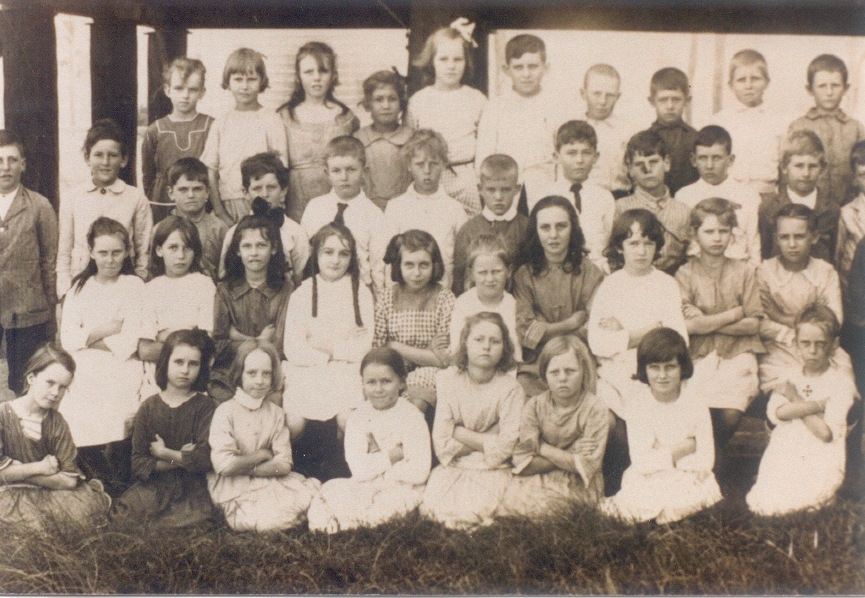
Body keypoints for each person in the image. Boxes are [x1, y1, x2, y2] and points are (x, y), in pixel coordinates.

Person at [588, 209, 688, 493]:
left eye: (648, 243)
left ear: (657, 246)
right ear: (620, 246)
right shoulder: (610, 285)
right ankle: (616, 487)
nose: (641, 251)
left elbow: (677, 339)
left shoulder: (666, 285)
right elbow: (598, 343)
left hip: (655, 372)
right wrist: (646, 331)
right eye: (633, 243)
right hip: (616, 373)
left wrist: (622, 331)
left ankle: (653, 487)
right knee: (613, 424)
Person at [675, 198, 764, 465]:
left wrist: (708, 321)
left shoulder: (744, 271)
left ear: (731, 234)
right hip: (699, 355)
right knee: (695, 405)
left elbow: (754, 323)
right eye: (709, 231)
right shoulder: (685, 273)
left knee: (729, 412)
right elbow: (689, 326)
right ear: (695, 234)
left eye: (723, 231)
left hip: (738, 353)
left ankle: (710, 457)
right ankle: (705, 460)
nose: (717, 238)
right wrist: (734, 313)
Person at [58, 217, 145, 492]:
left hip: (123, 364)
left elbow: (131, 340)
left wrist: (88, 337)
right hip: (84, 365)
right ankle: (98, 478)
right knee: (77, 409)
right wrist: (106, 330)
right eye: (103, 253)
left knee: (119, 411)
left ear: (127, 252)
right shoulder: (78, 288)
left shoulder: (134, 286)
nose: (110, 260)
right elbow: (68, 339)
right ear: (92, 252)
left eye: (116, 252)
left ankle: (118, 480)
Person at [602, 328, 722, 524]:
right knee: (640, 496)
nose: (662, 375)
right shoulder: (639, 404)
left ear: (682, 368)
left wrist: (662, 455)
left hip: (688, 475)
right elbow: (641, 462)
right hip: (648, 478)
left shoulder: (696, 403)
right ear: (644, 369)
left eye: (670, 367)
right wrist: (681, 449)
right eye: (654, 368)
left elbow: (706, 459)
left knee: (700, 491)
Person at [747, 305, 857, 515]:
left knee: (807, 501)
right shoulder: (789, 375)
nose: (812, 351)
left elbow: (825, 433)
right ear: (796, 344)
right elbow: (778, 414)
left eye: (820, 344)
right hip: (787, 449)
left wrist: (795, 398)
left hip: (820, 454)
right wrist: (817, 405)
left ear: (834, 345)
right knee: (768, 502)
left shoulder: (839, 383)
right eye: (805, 343)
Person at [307, 347, 432, 533]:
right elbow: (358, 469)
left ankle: (353, 522)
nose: (379, 389)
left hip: (402, 487)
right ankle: (346, 521)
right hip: (367, 484)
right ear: (363, 385)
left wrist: (378, 467)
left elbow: (419, 471)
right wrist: (393, 455)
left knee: (385, 508)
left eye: (386, 381)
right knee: (329, 490)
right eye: (371, 382)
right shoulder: (358, 417)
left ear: (401, 383)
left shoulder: (412, 417)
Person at [420, 312, 523, 530]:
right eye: (479, 339)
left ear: (504, 347)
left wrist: (461, 433)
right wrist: (488, 437)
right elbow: (442, 444)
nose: (486, 346)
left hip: (492, 468)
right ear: (465, 343)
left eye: (495, 341)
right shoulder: (449, 381)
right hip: (456, 465)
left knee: (481, 510)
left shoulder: (511, 388)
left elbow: (506, 446)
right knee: (434, 508)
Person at [207, 340, 321, 532]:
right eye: (252, 373)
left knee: (311, 494)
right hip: (234, 488)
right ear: (239, 374)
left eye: (266, 374)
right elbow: (224, 465)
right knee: (266, 522)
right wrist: (261, 455)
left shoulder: (275, 413)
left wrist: (245, 466)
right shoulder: (225, 412)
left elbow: (284, 464)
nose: (259, 381)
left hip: (269, 479)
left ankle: (295, 510)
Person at [0, 344, 111, 533]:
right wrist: (41, 468)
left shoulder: (57, 423)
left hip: (48, 493)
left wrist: (20, 472)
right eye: (50, 383)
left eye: (62, 388)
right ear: (31, 378)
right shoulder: (3, 415)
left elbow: (68, 480)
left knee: (81, 511)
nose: (55, 393)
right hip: (7, 493)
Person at [114, 329, 218, 528]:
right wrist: (181, 458)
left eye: (193, 364)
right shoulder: (149, 407)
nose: (185, 370)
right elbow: (139, 462)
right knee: (126, 514)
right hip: (155, 484)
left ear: (201, 367)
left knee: (195, 520)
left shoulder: (205, 407)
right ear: (165, 363)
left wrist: (164, 453)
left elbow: (204, 459)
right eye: (178, 362)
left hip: (190, 485)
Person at [499, 336, 609, 518]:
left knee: (560, 512)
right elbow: (523, 462)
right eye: (554, 372)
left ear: (583, 371)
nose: (563, 378)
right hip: (538, 476)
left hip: (579, 482)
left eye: (570, 371)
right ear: (544, 374)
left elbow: (587, 465)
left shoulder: (595, 409)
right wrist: (570, 451)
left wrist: (540, 447)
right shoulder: (534, 406)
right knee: (514, 507)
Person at [282, 224, 374, 440]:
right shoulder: (302, 293)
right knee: (294, 423)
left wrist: (326, 346)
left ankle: (350, 468)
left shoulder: (360, 292)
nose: (336, 260)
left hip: (347, 371)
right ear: (316, 254)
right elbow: (293, 347)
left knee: (348, 420)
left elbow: (364, 347)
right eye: (328, 252)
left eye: (344, 254)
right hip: (306, 370)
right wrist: (339, 347)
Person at [514, 196, 604, 396]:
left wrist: (546, 328)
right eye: (545, 227)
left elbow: (594, 327)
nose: (553, 235)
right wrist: (571, 323)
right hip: (537, 365)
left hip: (579, 360)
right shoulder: (524, 275)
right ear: (535, 232)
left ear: (573, 228)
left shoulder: (590, 273)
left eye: (561, 226)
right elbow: (526, 333)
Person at [757, 203, 849, 392]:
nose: (792, 244)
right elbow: (762, 322)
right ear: (776, 239)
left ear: (814, 237)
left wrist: (781, 317)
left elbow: (833, 320)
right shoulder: (765, 272)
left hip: (821, 346)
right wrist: (795, 332)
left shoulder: (825, 272)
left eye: (799, 236)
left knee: (841, 385)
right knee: (788, 390)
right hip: (780, 347)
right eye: (784, 237)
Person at [57, 119, 152, 296]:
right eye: (98, 155)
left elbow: (143, 251)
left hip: (123, 284)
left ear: (123, 160)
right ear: (87, 157)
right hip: (81, 286)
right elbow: (64, 251)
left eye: (113, 155)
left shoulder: (135, 198)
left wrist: (139, 284)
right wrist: (64, 292)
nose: (105, 162)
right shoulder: (73, 197)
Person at [210, 204, 292, 402]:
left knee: (274, 400)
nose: (254, 252)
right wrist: (257, 340)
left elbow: (281, 343)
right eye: (247, 246)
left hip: (270, 371)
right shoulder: (225, 290)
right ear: (237, 251)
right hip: (231, 371)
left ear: (273, 249)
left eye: (261, 245)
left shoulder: (284, 289)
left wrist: (238, 336)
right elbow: (219, 343)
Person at [406, 23, 487, 216]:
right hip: (430, 175)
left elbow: (485, 146)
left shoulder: (477, 99)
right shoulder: (419, 100)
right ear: (431, 61)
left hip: (467, 177)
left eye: (457, 59)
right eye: (443, 59)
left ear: (466, 62)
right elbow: (410, 146)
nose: (451, 66)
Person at [200, 48, 288, 223]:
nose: (245, 86)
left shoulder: (271, 119)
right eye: (238, 79)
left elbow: (281, 167)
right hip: (229, 204)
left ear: (261, 81)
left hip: (263, 201)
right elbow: (211, 169)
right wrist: (219, 211)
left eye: (251, 79)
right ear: (228, 82)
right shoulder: (221, 122)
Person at [0, 130, 58, 396]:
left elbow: (49, 262)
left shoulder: (39, 206)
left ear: (23, 163)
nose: (5, 167)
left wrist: (50, 311)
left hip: (26, 312)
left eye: (12, 160)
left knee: (23, 384)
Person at [374, 230, 455, 415]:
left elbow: (442, 360)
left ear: (435, 265)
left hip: (430, 373)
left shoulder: (444, 298)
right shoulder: (388, 297)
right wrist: (427, 350)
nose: (416, 273)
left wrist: (395, 345)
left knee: (415, 404)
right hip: (392, 369)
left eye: (424, 265)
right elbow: (378, 350)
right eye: (409, 265)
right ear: (399, 266)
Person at [279, 41, 360, 222]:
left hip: (335, 196)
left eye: (323, 71)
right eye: (308, 71)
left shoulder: (345, 118)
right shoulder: (284, 116)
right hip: (295, 199)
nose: (316, 77)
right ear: (298, 76)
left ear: (333, 75)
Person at [137, 216, 215, 400]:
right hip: (156, 377)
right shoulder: (150, 289)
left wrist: (164, 336)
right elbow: (145, 350)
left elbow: (204, 344)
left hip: (193, 377)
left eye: (187, 248)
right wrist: (186, 335)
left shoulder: (204, 285)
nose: (180, 256)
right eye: (173, 248)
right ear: (159, 250)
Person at [523, 120, 616, 271]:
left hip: (596, 270)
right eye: (571, 153)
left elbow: (607, 241)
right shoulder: (544, 196)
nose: (579, 160)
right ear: (556, 156)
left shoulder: (605, 198)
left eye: (586, 153)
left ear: (596, 157)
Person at [301, 136, 387, 295]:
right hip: (319, 291)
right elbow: (304, 255)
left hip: (358, 292)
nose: (344, 177)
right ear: (327, 173)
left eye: (351, 169)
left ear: (364, 171)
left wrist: (378, 299)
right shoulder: (315, 207)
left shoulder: (374, 214)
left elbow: (378, 265)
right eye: (336, 171)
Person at [475, 33, 569, 178]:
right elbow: (484, 158)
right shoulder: (495, 108)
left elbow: (564, 157)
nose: (526, 74)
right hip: (504, 189)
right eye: (518, 67)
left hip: (545, 188)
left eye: (533, 66)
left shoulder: (556, 107)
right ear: (507, 70)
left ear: (546, 68)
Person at [385, 129, 468, 290]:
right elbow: (389, 260)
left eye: (434, 164)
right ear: (409, 165)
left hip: (442, 294)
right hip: (404, 295)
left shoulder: (455, 210)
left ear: (444, 165)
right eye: (420, 164)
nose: (427, 171)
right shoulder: (395, 207)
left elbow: (461, 263)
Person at [218, 153, 310, 289]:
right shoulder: (234, 233)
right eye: (257, 188)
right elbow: (224, 275)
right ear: (245, 192)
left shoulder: (296, 233)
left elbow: (300, 280)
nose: (264, 194)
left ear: (283, 190)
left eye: (271, 187)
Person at [675, 125, 762, 267]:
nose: (709, 165)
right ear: (693, 160)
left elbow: (754, 251)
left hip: (738, 274)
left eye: (716, 158)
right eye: (703, 158)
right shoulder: (684, 197)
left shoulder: (748, 196)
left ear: (730, 160)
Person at [141, 57, 214, 224]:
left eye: (193, 89)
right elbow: (148, 174)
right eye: (179, 88)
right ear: (167, 90)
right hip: (163, 204)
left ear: (202, 92)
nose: (185, 96)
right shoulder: (155, 130)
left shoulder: (211, 126)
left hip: (201, 204)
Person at [706, 49, 788, 195]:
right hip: (729, 195)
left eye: (755, 78)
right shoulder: (719, 121)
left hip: (767, 195)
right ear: (731, 85)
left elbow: (785, 167)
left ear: (767, 82)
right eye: (741, 80)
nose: (748, 85)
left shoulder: (779, 122)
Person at [788, 54, 865, 209]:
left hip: (847, 207)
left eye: (835, 85)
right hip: (808, 207)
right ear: (809, 89)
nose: (829, 92)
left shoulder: (856, 128)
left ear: (846, 89)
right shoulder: (798, 127)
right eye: (822, 86)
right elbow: (787, 171)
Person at [615, 130, 691, 275]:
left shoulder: (684, 211)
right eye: (639, 164)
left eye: (654, 162)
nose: (648, 169)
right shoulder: (620, 208)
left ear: (667, 163)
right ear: (630, 169)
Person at [452, 153, 529, 295]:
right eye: (491, 190)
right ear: (480, 189)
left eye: (505, 189)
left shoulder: (527, 227)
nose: (498, 197)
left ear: (517, 189)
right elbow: (460, 280)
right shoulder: (468, 230)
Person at [759, 130, 839, 263]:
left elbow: (834, 254)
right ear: (785, 167)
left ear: (822, 168)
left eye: (812, 166)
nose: (806, 173)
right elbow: (765, 253)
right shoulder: (769, 207)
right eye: (799, 166)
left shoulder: (831, 209)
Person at [449, 235, 521, 364]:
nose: (490, 279)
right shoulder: (463, 303)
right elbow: (457, 348)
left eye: (496, 271)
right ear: (471, 274)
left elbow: (515, 352)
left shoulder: (513, 305)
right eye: (482, 273)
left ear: (508, 271)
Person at [354, 70, 413, 211]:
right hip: (367, 210)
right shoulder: (358, 139)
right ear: (368, 103)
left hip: (404, 209)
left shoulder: (411, 138)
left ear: (401, 103)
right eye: (379, 99)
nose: (386, 106)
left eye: (392, 99)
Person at [165, 157, 228, 282]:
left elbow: (225, 272)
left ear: (207, 192)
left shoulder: (220, 228)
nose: (191, 195)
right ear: (171, 193)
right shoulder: (162, 228)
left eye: (197, 189)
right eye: (183, 189)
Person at [582, 64, 635, 197]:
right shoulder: (570, 128)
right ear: (583, 93)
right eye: (597, 93)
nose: (602, 101)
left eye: (610, 95)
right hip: (581, 197)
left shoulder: (629, 131)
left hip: (618, 198)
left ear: (618, 96)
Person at [646, 67, 699, 195]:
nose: (670, 106)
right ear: (652, 102)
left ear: (687, 101)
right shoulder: (644, 139)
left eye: (676, 99)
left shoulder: (695, 138)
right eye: (663, 100)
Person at [835, 140, 865, 291]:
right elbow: (839, 256)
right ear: (855, 179)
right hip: (857, 285)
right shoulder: (848, 213)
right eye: (863, 175)